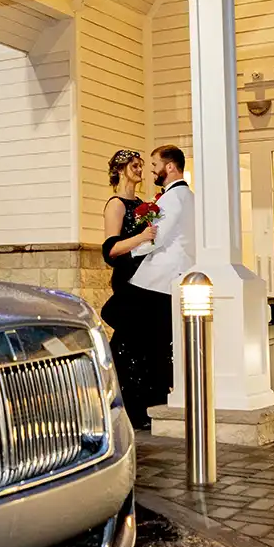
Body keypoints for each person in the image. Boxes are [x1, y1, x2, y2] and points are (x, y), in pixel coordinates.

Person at [128, 144, 196, 405]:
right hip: (178, 274)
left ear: (169, 167)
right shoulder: (191, 197)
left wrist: (129, 254)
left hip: (158, 279)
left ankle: (145, 398)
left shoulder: (171, 198)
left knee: (144, 337)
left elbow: (157, 237)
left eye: (155, 165)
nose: (152, 170)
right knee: (162, 341)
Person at [101, 149, 160, 430]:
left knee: (147, 342)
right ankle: (127, 406)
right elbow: (111, 249)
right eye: (135, 166)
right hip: (128, 279)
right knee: (128, 342)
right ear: (122, 169)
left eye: (142, 166)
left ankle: (148, 403)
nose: (140, 170)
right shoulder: (116, 204)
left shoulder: (142, 204)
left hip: (146, 276)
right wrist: (141, 237)